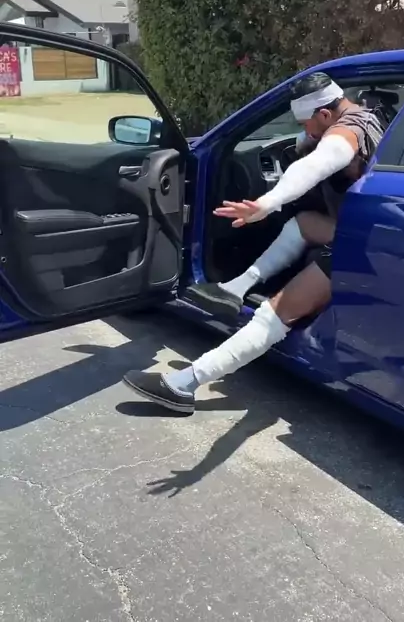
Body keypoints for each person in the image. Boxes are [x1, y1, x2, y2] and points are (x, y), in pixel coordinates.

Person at [123, 73, 385, 414]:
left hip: (362, 249)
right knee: (304, 223)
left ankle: (184, 385)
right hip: (369, 231)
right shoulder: (367, 114)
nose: (306, 130)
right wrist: (307, 140)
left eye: (307, 124)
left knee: (274, 314)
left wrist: (266, 203)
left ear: (324, 114)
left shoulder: (346, 132)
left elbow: (318, 163)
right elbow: (315, 149)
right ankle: (236, 286)